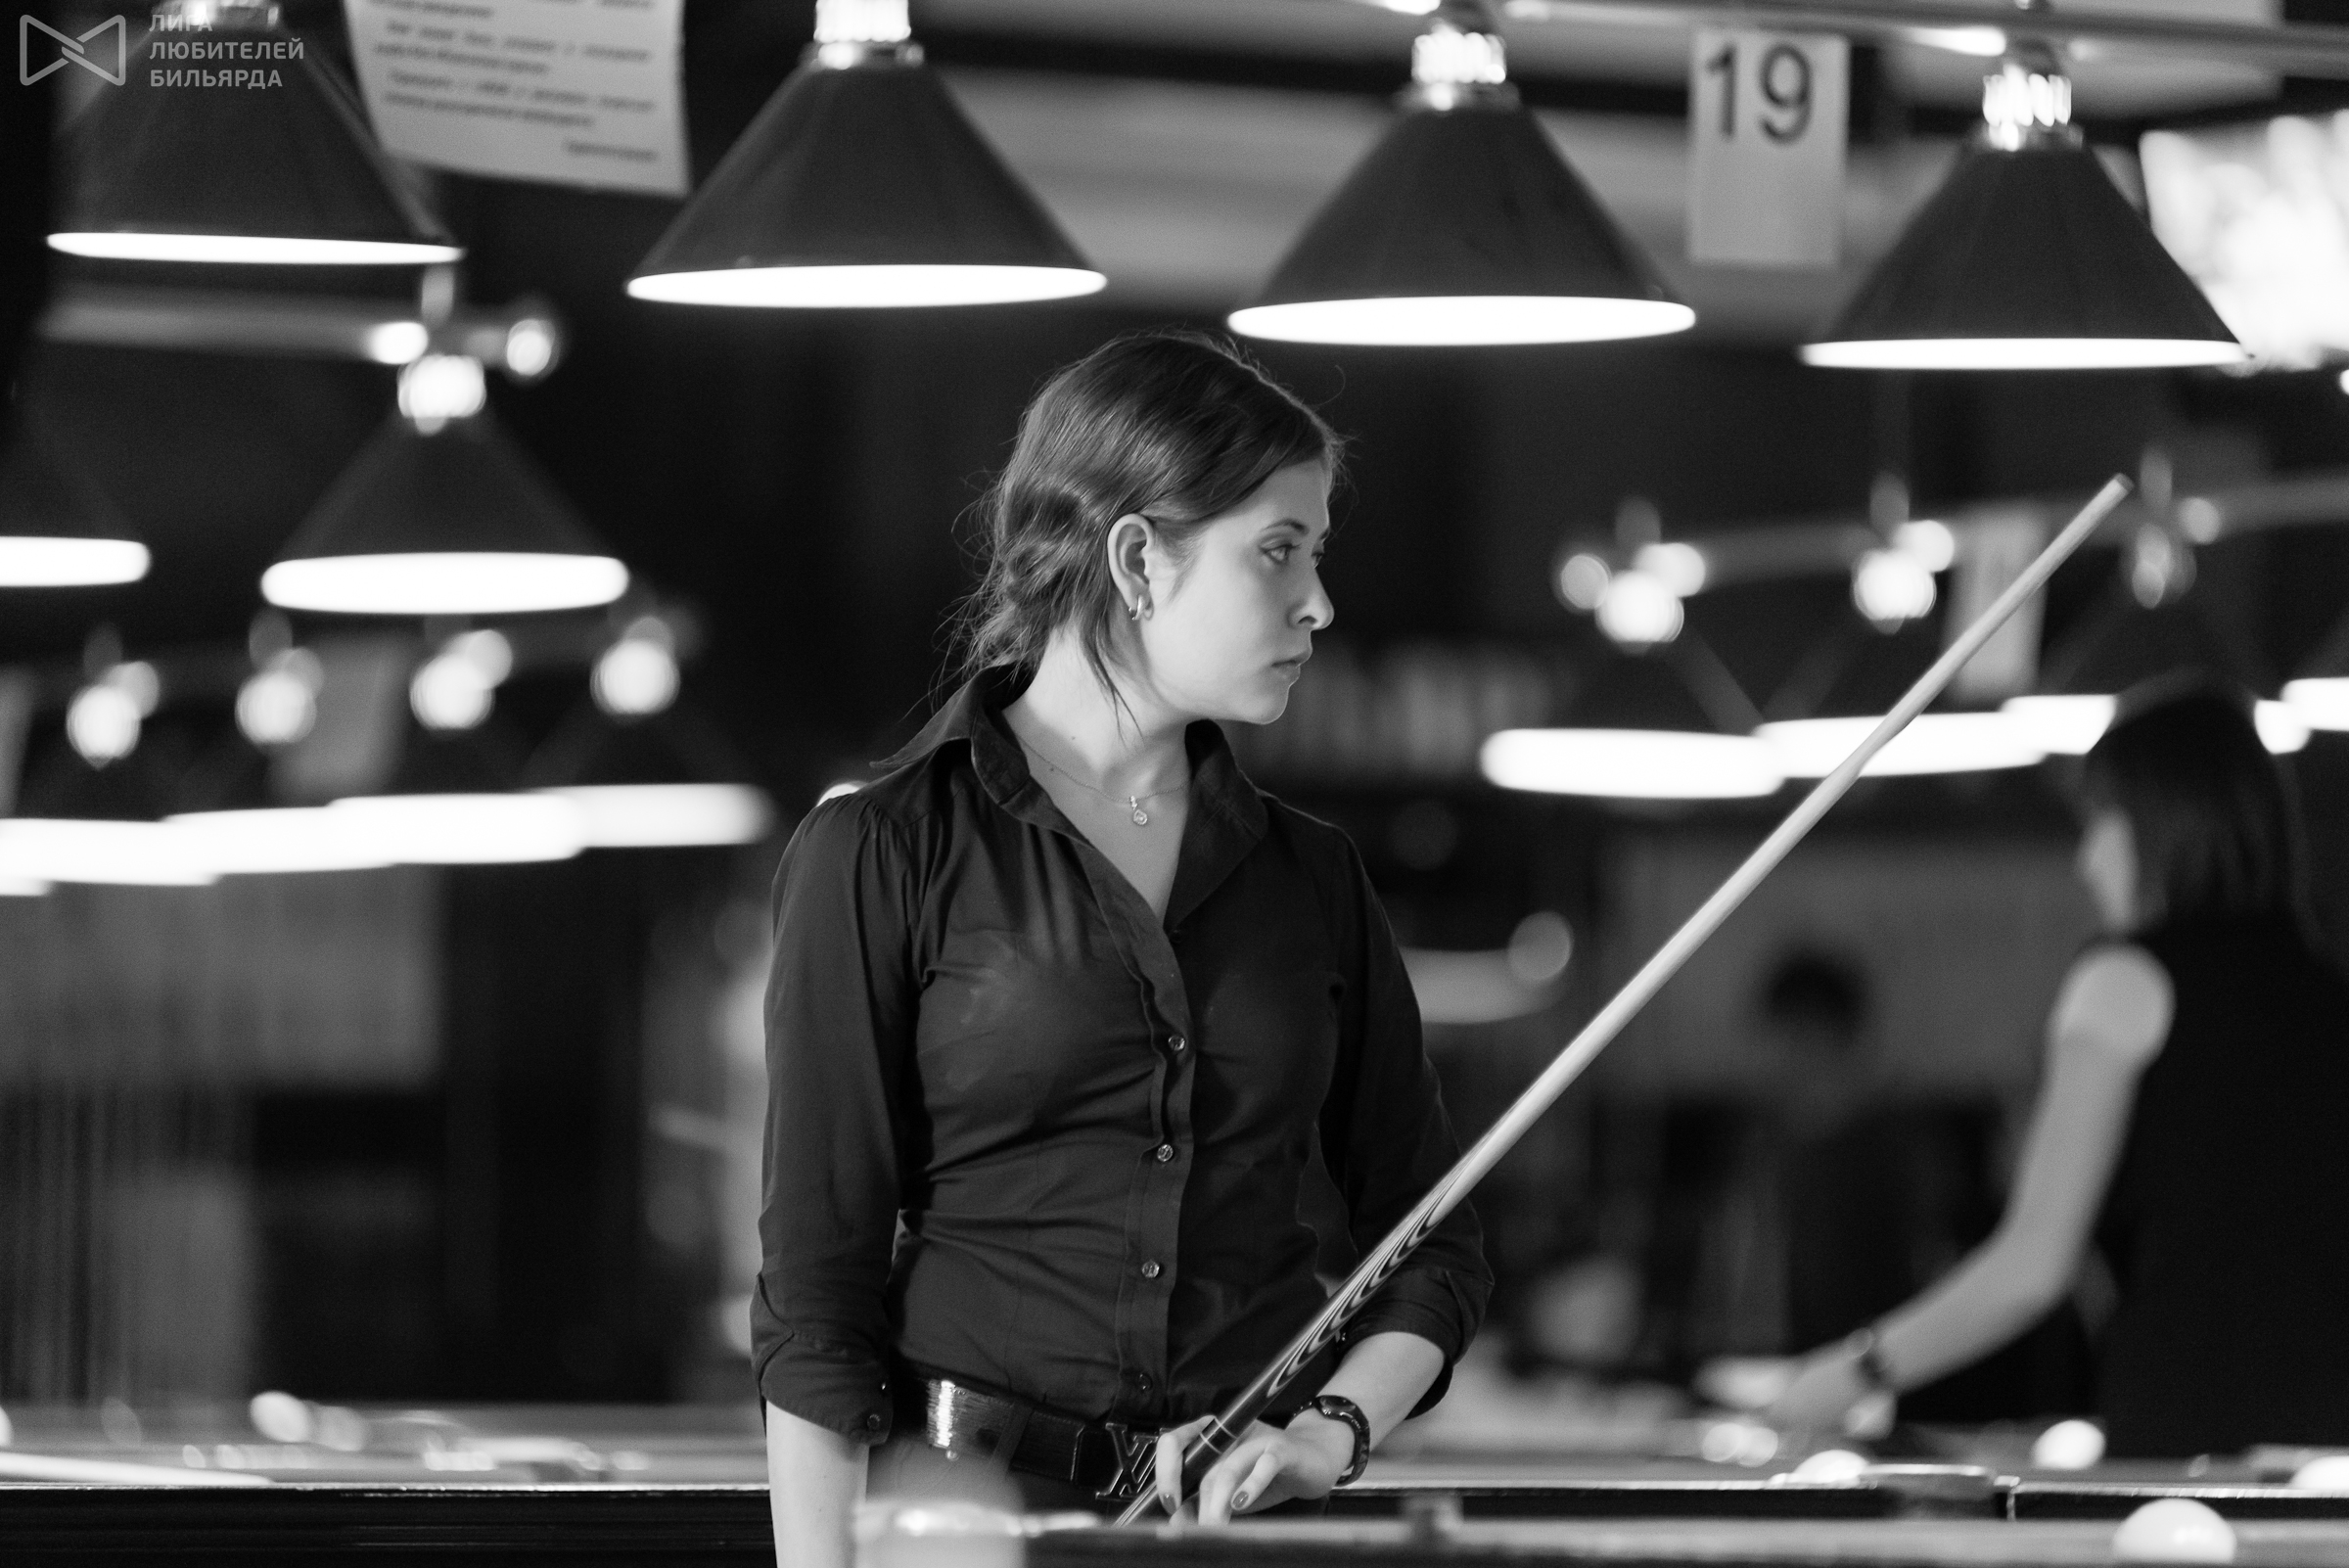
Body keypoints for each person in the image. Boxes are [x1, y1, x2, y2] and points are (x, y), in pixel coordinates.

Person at [755, 330, 1491, 1565]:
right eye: (1280, 550)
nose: (1319, 603)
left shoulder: (1313, 878)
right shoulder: (880, 852)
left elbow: (1434, 1248)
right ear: (1140, 559)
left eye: (1316, 554)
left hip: (1245, 1538)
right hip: (966, 1534)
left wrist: (1334, 1430)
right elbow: (815, 1300)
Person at [1768, 677, 2349, 1454]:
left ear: (2162, 820)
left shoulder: (2122, 979)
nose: (2086, 860)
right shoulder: (2329, 991)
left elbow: (2033, 1265)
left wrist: (1848, 1374)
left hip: (2189, 1436)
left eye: (2101, 821)